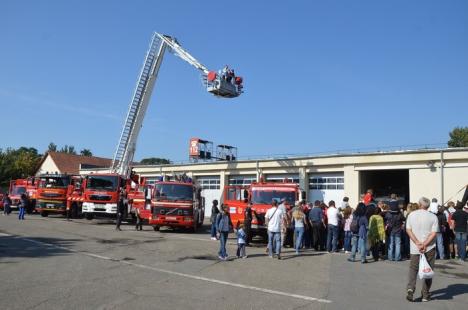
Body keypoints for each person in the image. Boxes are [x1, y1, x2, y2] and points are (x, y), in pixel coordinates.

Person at [405, 197, 439, 302]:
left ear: (419, 204)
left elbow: (408, 230)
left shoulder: (411, 215)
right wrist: (425, 244)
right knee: (428, 270)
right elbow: (434, 233)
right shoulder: (433, 217)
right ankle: (425, 294)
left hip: (415, 247)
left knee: (413, 269)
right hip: (429, 247)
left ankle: (411, 289)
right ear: (428, 206)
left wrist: (417, 243)